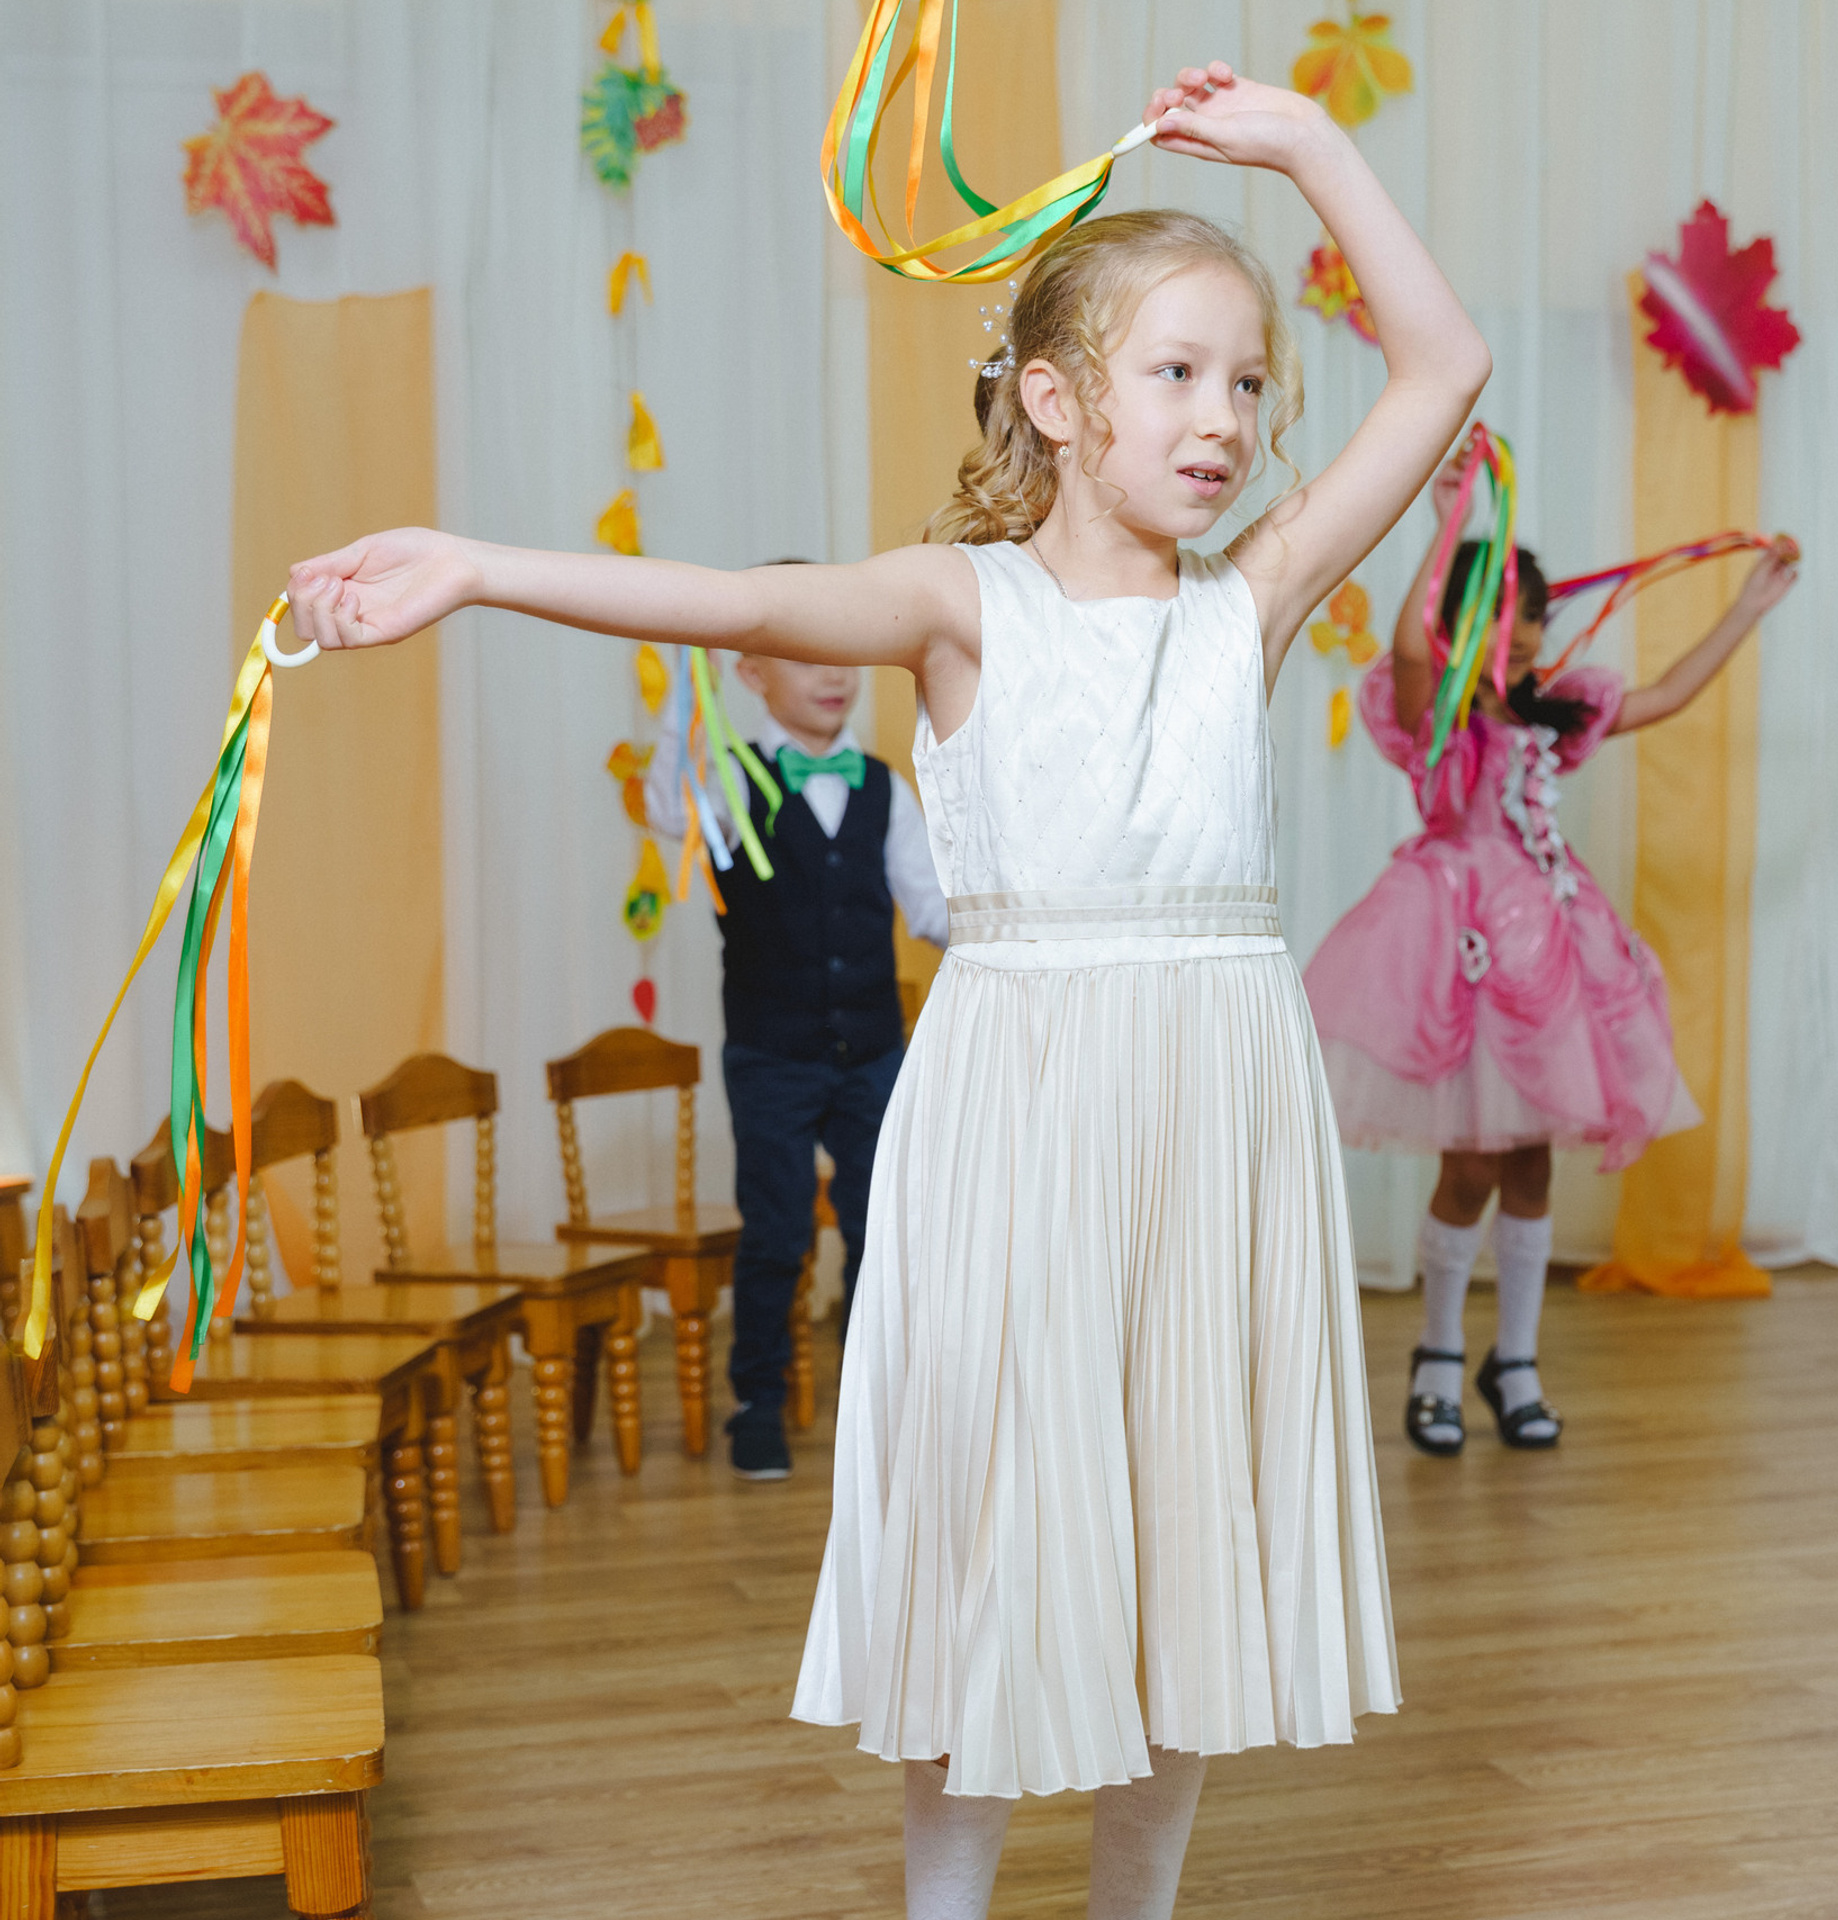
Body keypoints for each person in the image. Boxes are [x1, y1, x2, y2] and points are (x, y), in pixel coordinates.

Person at [284, 61, 1490, 1920]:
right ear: (1058, 398)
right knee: (995, 1525)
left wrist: (1316, 148)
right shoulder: (959, 605)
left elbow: (1443, 368)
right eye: (1175, 372)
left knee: (1177, 1533)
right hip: (1021, 1107)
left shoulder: (1243, 605)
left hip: (1212, 1114)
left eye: (1249, 380)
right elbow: (738, 608)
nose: (1227, 417)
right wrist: (477, 569)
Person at [1304, 445, 1800, 1457]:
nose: (1528, 632)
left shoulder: (1552, 716)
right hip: (1462, 946)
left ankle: (1514, 1358)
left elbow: (1662, 694)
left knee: (1533, 1168)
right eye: (1506, 611)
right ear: (1464, 619)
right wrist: (1446, 527)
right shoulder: (1434, 720)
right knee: (1472, 1166)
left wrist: (1749, 608)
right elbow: (1408, 646)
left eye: (1536, 615)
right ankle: (1438, 1354)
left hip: (1555, 952)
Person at [643, 628, 948, 1482]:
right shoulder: (728, 780)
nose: (833, 673)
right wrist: (684, 671)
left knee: (879, 1230)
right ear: (749, 672)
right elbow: (667, 806)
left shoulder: (885, 788)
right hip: (771, 1057)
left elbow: (930, 907)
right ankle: (758, 1405)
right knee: (776, 1233)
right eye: (806, 655)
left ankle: (875, 1412)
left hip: (874, 1056)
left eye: (844, 653)